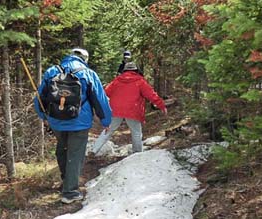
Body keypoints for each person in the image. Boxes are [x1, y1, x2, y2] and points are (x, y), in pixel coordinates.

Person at [35, 48, 112, 204]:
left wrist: (43, 116)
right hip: (79, 122)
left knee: (62, 149)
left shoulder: (52, 71)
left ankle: (66, 181)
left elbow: (39, 96)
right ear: (84, 58)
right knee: (75, 154)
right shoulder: (88, 74)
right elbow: (100, 99)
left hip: (56, 120)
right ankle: (70, 192)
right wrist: (106, 121)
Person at [100, 62, 167, 154]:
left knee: (108, 130)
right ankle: (137, 154)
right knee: (136, 133)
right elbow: (151, 95)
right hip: (133, 110)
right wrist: (161, 105)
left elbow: (105, 93)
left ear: (124, 70)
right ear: (136, 70)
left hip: (115, 110)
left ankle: (95, 149)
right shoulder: (140, 81)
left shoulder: (117, 80)